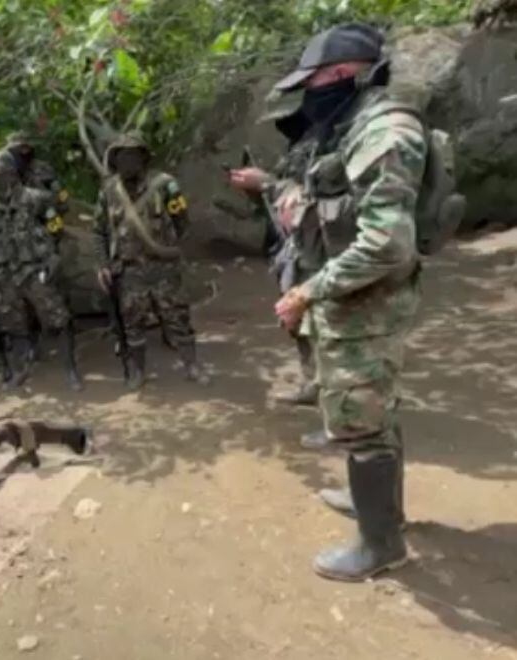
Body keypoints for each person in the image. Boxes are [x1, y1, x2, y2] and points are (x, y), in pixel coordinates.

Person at [268, 23, 425, 582]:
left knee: (363, 423)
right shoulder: (355, 127)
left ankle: (380, 546)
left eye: (315, 82)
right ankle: (382, 511)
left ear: (345, 74)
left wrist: (306, 290)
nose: (310, 95)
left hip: (366, 304)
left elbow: (386, 243)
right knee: (374, 414)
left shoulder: (385, 131)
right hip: (355, 299)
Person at [230, 91, 325, 411]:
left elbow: (308, 203)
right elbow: (282, 206)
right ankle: (313, 385)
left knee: (322, 328)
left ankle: (337, 409)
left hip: (318, 255)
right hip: (295, 252)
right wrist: (257, 189)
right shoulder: (298, 148)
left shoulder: (323, 148)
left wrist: (266, 182)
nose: (284, 126)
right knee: (298, 325)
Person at [95, 132, 209, 389]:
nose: (127, 162)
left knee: (178, 318)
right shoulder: (108, 192)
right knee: (132, 323)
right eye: (122, 157)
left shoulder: (165, 185)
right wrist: (103, 263)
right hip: (129, 271)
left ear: (143, 158)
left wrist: (170, 251)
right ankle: (138, 372)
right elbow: (99, 231)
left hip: (163, 268)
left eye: (132, 156)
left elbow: (183, 224)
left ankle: (192, 366)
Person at [0, 150, 82, 390]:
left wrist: (54, 258)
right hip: (8, 276)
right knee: (15, 327)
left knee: (58, 319)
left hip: (35, 271)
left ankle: (70, 371)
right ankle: (21, 370)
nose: (0, 179)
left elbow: (56, 229)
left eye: (4, 173)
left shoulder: (36, 199)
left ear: (14, 174)